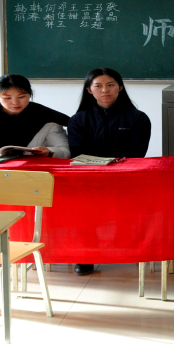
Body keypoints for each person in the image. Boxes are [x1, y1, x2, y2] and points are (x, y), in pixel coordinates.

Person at [67, 68, 151, 275]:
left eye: (111, 85)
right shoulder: (78, 119)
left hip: (125, 177)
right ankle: (86, 255)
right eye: (98, 86)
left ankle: (129, 250)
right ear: (89, 90)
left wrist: (114, 167)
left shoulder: (138, 118)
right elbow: (77, 152)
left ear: (120, 87)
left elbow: (137, 153)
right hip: (89, 178)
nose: (105, 90)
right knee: (83, 210)